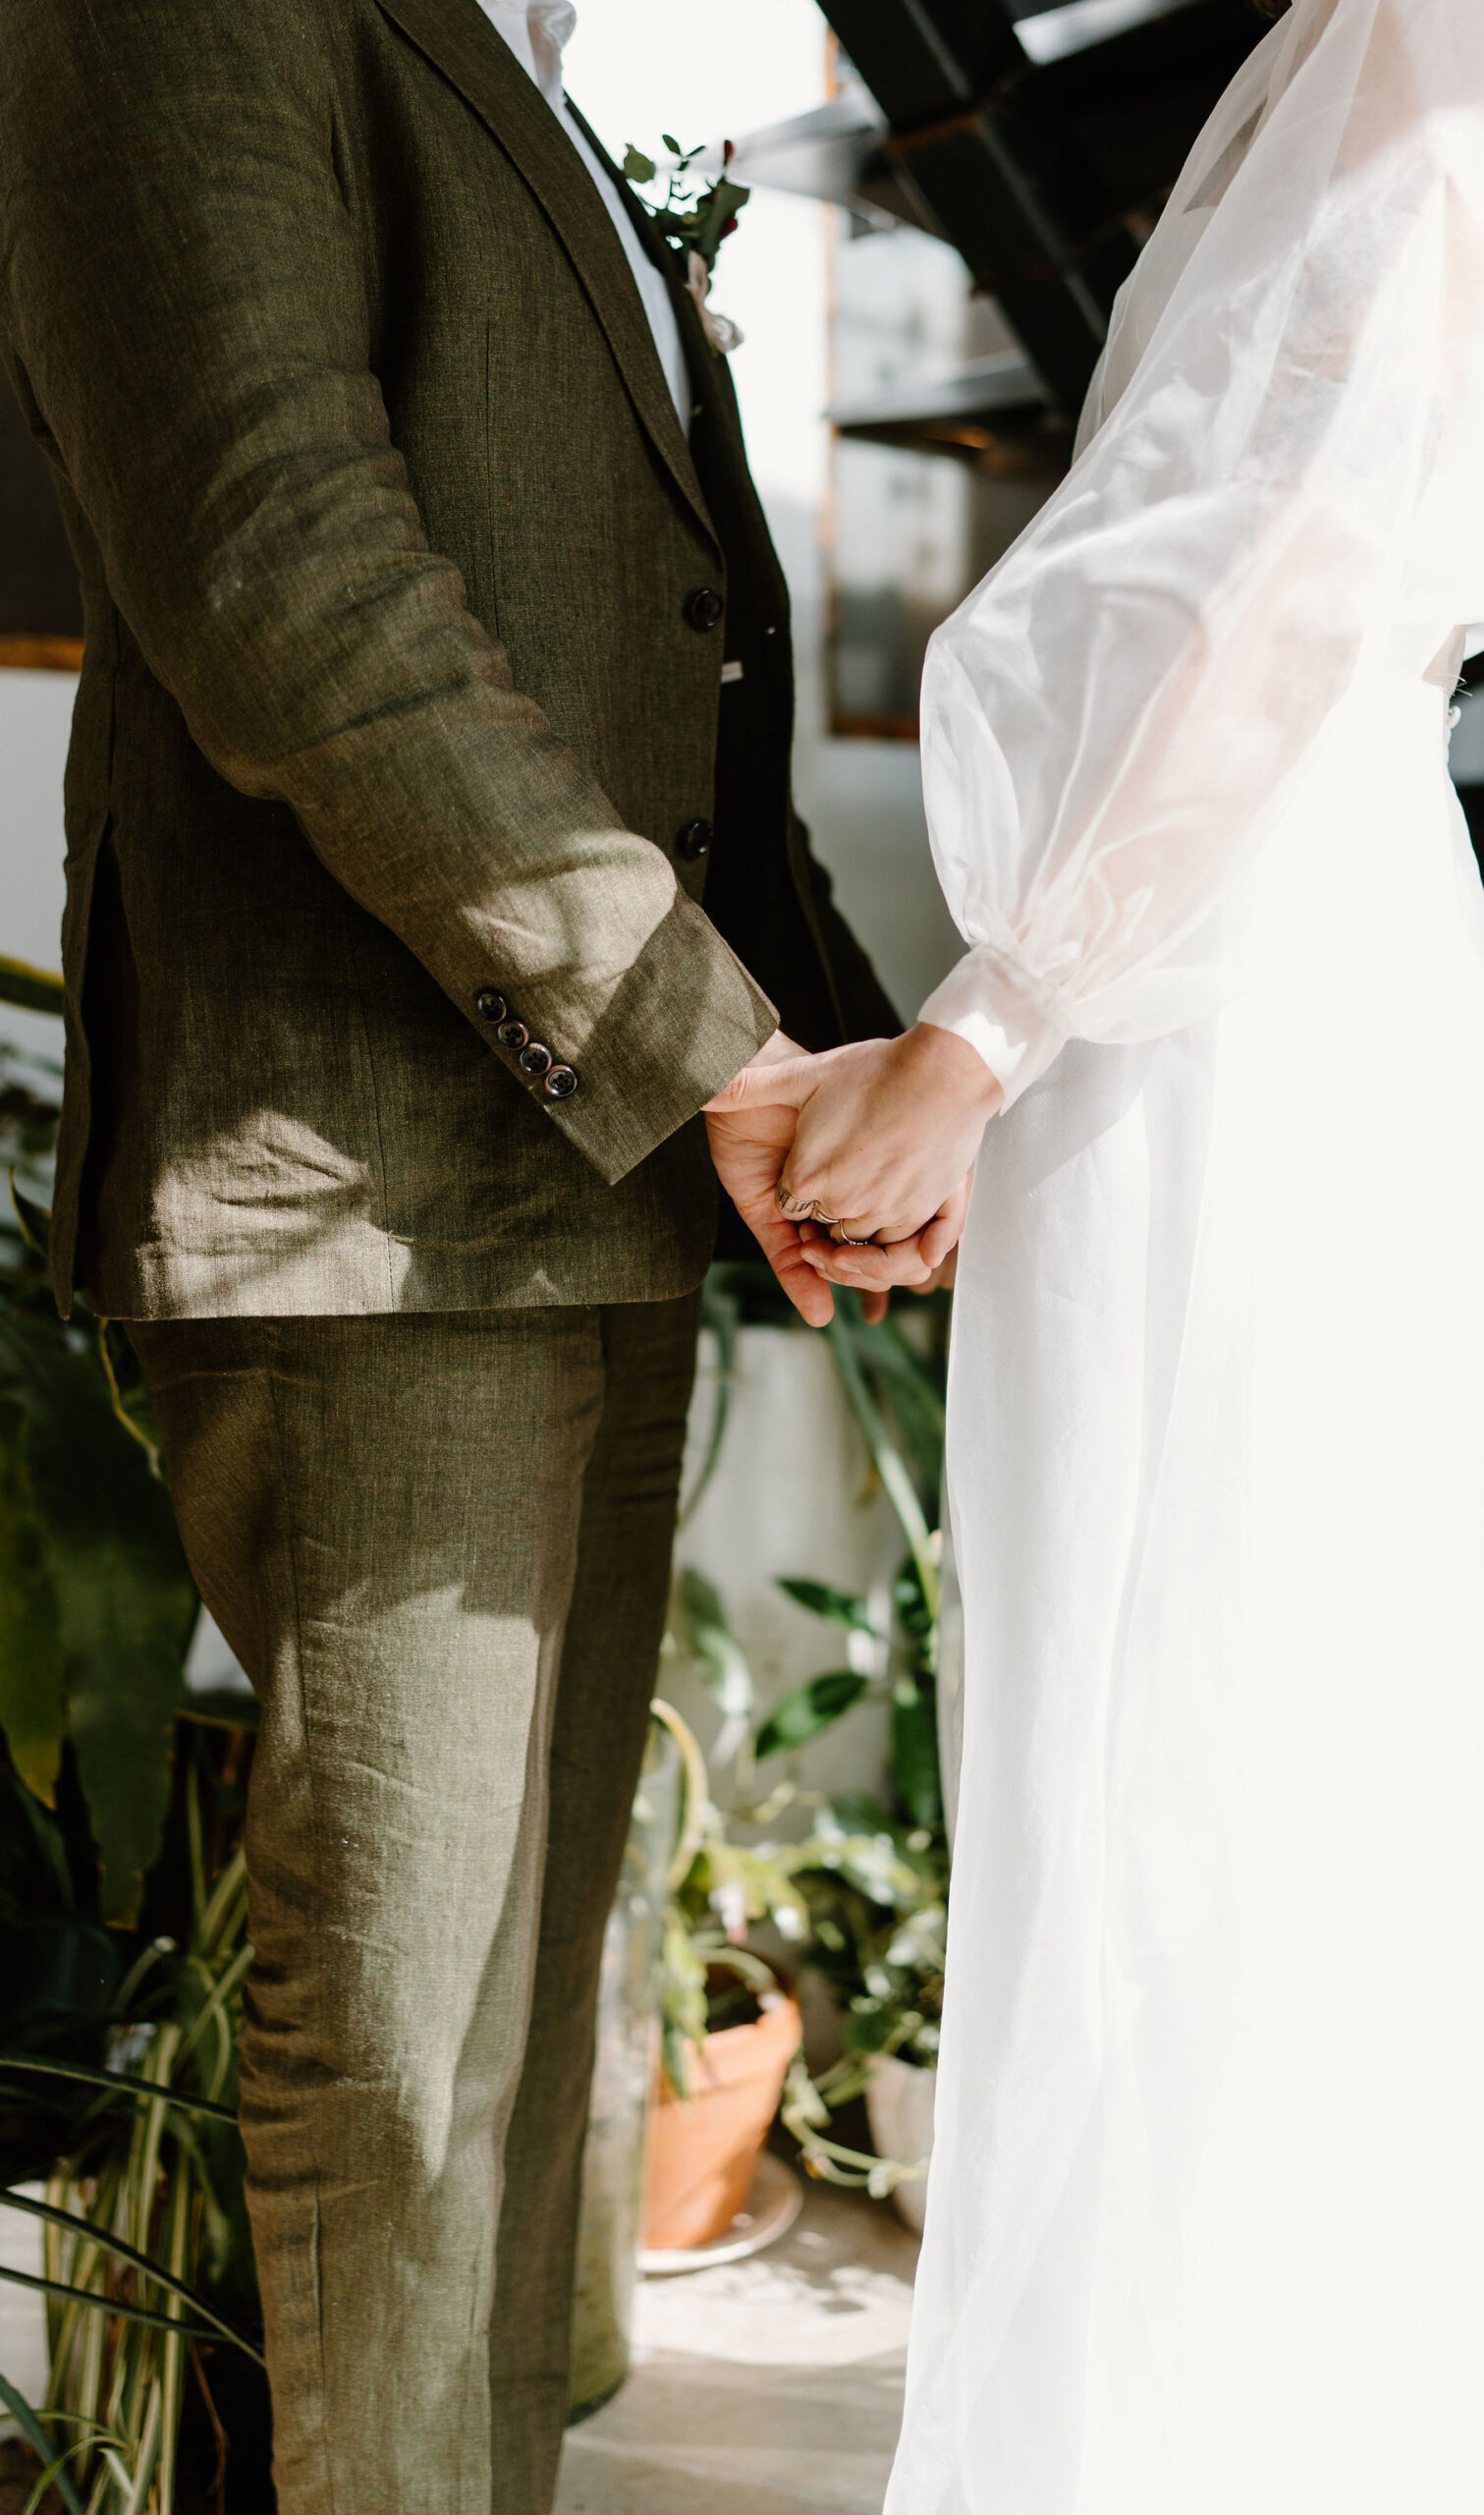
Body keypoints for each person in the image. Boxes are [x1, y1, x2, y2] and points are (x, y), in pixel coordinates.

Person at [713, 2, 1484, 2504]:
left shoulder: (1443, 41)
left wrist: (989, 1022)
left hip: (1223, 976)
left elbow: (1291, 562)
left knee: (1209, 1763)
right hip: (1294, 934)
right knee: (1288, 1742)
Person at [0, 2, 895, 2508]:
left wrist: (856, 1072)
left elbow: (668, 640)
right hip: (366, 1176)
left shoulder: (529, 59)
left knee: (523, 2026)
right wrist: (716, 1051)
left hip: (590, 1166)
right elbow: (279, 554)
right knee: (397, 2049)